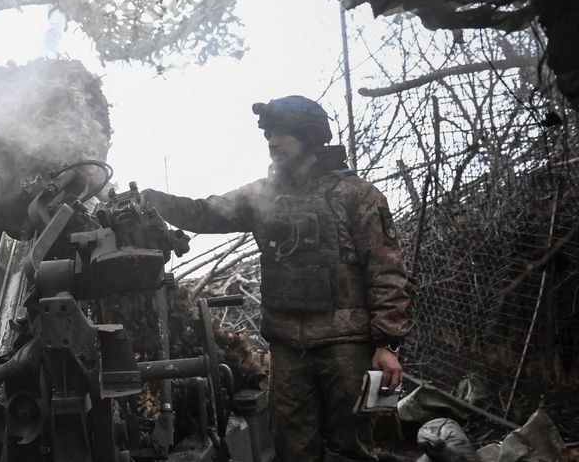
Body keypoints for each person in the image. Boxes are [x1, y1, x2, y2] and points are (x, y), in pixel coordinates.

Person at [142, 95, 411, 462]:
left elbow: (386, 270)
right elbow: (204, 212)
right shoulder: (263, 196)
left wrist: (387, 345)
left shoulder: (356, 195)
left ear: (309, 135)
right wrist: (152, 200)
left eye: (281, 132)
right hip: (287, 349)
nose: (271, 141)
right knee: (292, 450)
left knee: (351, 449)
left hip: (347, 347)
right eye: (268, 134)